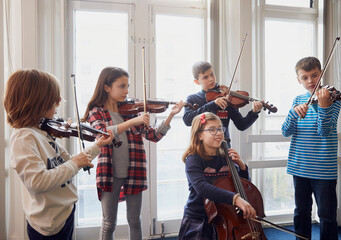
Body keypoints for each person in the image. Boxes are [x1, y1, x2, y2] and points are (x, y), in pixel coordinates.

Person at [3, 69, 114, 240]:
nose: (60, 101)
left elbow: (69, 161)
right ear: (36, 102)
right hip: (48, 224)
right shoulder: (24, 138)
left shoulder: (42, 132)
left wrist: (97, 145)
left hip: (64, 212)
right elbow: (38, 182)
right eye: (54, 99)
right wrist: (76, 162)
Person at [82, 66, 184, 240]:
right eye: (122, 86)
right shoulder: (97, 112)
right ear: (107, 87)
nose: (127, 91)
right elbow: (103, 133)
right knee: (109, 222)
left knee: (135, 220)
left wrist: (170, 116)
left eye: (127, 86)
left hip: (134, 171)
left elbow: (154, 135)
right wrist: (133, 121)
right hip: (110, 173)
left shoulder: (131, 111)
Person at [282, 57, 341, 240]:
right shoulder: (298, 100)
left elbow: (324, 131)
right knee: (301, 212)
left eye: (314, 75)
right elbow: (286, 131)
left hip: (324, 169)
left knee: (327, 215)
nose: (310, 81)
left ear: (321, 73)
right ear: (299, 79)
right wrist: (293, 113)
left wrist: (322, 107)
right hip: (299, 166)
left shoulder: (332, 97)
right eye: (305, 77)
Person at [178, 112, 256, 240]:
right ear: (200, 135)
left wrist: (242, 167)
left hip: (225, 216)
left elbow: (243, 186)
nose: (219, 133)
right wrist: (235, 199)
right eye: (212, 130)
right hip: (199, 217)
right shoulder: (193, 159)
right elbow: (202, 188)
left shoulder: (225, 157)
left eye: (220, 128)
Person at [183, 61, 263, 143]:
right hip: (202, 150)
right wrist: (212, 104)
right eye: (205, 77)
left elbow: (241, 125)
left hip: (223, 149)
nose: (211, 79)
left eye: (212, 74)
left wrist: (254, 112)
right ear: (197, 81)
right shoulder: (193, 99)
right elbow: (187, 120)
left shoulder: (226, 97)